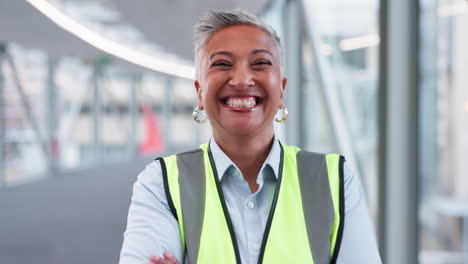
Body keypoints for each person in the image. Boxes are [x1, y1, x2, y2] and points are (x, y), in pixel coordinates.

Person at [119, 9, 381, 264]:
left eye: (260, 63)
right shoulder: (161, 183)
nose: (242, 79)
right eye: (222, 64)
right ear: (200, 92)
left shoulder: (333, 179)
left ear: (281, 89)